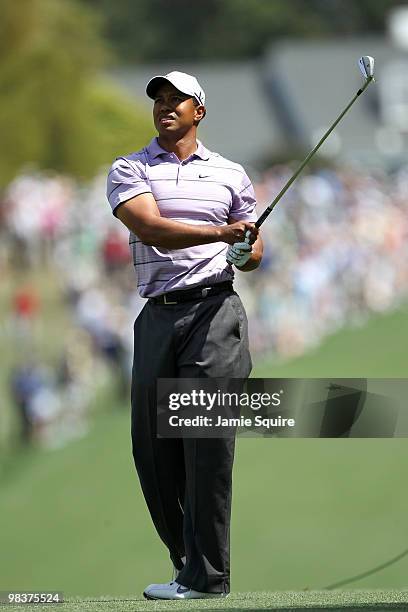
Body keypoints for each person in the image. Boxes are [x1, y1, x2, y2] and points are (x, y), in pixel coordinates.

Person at [106, 71, 263, 600]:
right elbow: (148, 228)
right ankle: (186, 562)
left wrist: (245, 250)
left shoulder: (230, 174)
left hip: (215, 314)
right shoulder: (129, 168)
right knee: (153, 450)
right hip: (157, 316)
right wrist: (223, 233)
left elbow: (253, 250)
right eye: (159, 100)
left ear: (199, 111)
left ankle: (207, 576)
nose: (165, 106)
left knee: (206, 442)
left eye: (177, 100)